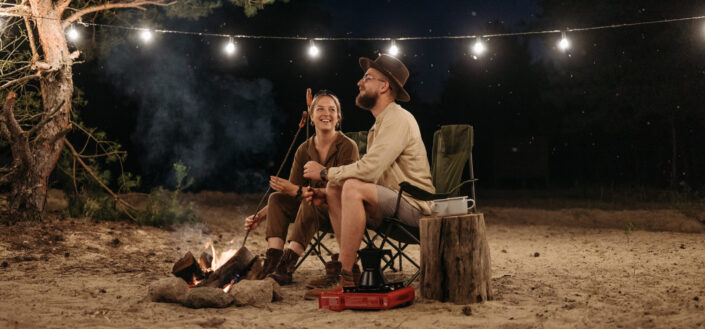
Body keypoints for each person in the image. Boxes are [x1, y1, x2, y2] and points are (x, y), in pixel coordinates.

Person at [302, 54, 434, 299]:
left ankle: (345, 276)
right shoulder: (380, 124)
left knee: (350, 186)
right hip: (393, 199)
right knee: (335, 189)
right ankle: (346, 270)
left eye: (366, 78)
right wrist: (329, 187)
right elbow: (377, 177)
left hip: (416, 207)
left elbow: (369, 170)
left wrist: (325, 172)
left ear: (384, 86)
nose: (359, 83)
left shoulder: (398, 119)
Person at [244, 90, 359, 285]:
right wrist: (260, 216)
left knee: (309, 200)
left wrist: (302, 190)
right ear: (312, 116)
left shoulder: (348, 146)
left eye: (332, 109)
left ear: (338, 117)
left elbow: (346, 188)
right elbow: (292, 190)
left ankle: (287, 265)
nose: (326, 113)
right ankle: (272, 261)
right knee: (276, 199)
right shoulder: (304, 149)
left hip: (337, 209)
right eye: (320, 109)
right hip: (308, 205)